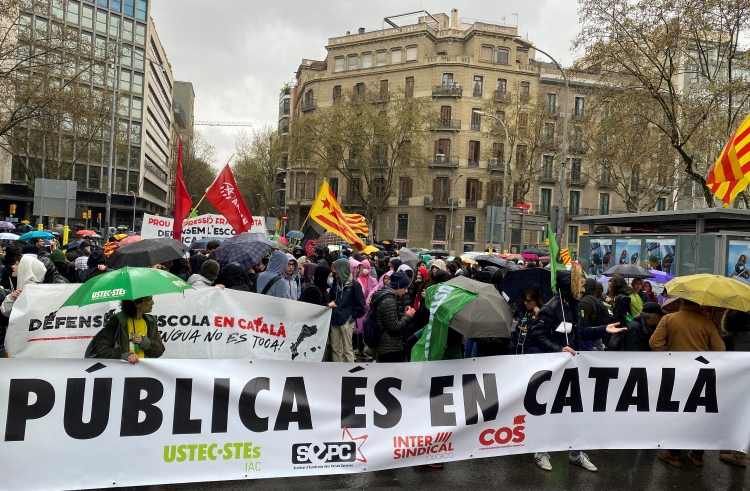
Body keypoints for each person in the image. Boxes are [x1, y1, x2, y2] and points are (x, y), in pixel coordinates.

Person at [529, 264, 624, 473]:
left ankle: (575, 453)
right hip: (555, 370)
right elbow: (535, 334)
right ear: (569, 285)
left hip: (573, 368)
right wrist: (558, 348)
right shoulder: (553, 308)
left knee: (577, 411)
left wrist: (602, 330)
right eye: (580, 285)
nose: (583, 289)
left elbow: (579, 331)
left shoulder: (573, 305)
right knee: (551, 411)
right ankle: (541, 451)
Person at [649, 298, 725, 468]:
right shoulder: (707, 323)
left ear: (682, 301)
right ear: (698, 303)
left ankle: (674, 455)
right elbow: (720, 349)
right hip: (700, 374)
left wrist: (667, 355)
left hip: (675, 372)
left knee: (675, 412)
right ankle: (697, 455)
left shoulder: (668, 319)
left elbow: (654, 343)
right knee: (699, 413)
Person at [719, 309, 750, 467]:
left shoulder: (726, 339)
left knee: (735, 417)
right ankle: (740, 454)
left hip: (734, 386)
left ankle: (737, 454)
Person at [93, 296, 164, 364]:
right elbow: (102, 349)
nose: (152, 303)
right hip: (122, 372)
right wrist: (125, 356)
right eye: (149, 299)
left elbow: (159, 351)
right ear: (136, 304)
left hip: (144, 371)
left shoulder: (150, 322)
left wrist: (144, 342)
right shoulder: (118, 322)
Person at [369, 271, 415, 363]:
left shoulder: (388, 296)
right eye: (405, 288)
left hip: (388, 346)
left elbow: (390, 318)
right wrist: (407, 316)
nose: (406, 291)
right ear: (398, 286)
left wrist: (403, 314)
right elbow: (393, 327)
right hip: (390, 348)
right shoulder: (389, 300)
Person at [329, 258, 365, 363]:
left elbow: (361, 305)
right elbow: (331, 297)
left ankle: (350, 374)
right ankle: (337, 371)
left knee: (347, 349)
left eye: (336, 269)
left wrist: (351, 318)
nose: (335, 271)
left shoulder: (354, 284)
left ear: (342, 269)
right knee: (335, 349)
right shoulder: (335, 282)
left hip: (346, 321)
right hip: (335, 319)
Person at [512, 287, 543, 354]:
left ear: (536, 300)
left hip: (532, 349)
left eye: (529, 301)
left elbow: (540, 333)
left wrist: (538, 317)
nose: (526, 303)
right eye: (524, 300)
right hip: (516, 346)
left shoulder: (543, 313)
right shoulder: (519, 310)